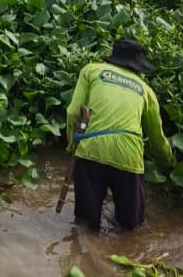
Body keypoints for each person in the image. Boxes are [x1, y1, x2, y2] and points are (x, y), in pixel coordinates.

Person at [65, 39, 175, 232]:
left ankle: (84, 256)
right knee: (130, 228)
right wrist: (167, 162)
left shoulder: (91, 71)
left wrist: (72, 144)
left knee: (85, 226)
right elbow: (157, 137)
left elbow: (73, 113)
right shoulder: (145, 90)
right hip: (128, 157)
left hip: (91, 149)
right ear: (138, 67)